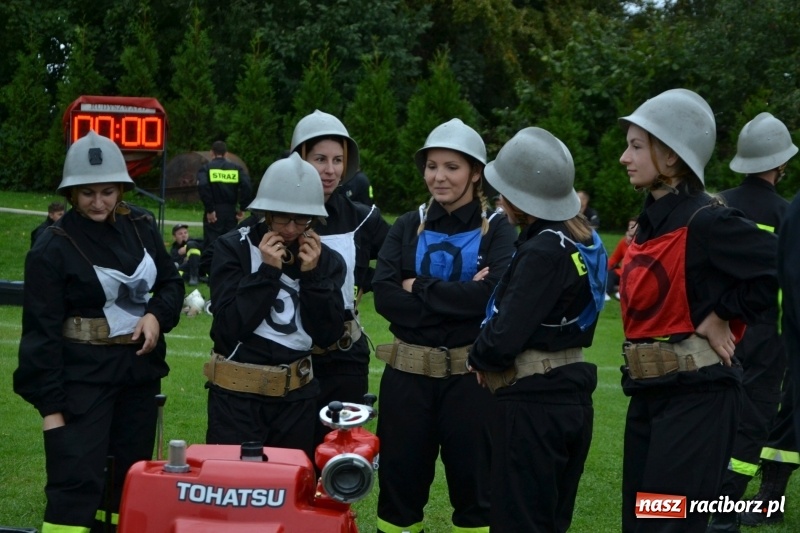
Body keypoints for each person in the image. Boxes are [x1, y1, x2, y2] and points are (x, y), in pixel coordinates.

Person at [616, 88, 779, 533]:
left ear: (670, 157)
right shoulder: (651, 219)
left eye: (635, 146)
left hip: (696, 398)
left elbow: (781, 265)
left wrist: (724, 312)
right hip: (649, 393)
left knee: (668, 523)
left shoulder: (708, 219)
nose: (623, 158)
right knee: (642, 520)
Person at [13, 130, 184, 532]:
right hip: (81, 382)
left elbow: (171, 283)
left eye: (108, 191)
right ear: (71, 194)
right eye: (86, 193)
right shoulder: (50, 248)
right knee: (76, 482)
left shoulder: (141, 226)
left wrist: (157, 315)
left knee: (130, 480)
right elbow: (40, 334)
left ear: (122, 189)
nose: (98, 202)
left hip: (136, 377)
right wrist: (51, 409)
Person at [372, 118, 517, 533]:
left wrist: (418, 286)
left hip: (471, 381)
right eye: (432, 165)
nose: (439, 176)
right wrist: (461, 298)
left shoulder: (500, 228)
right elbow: (385, 298)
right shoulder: (405, 224)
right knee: (398, 496)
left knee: (477, 497)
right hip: (406, 378)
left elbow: (494, 296)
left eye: (452, 167)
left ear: (475, 172)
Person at [468, 127, 607, 532]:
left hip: (534, 405)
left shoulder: (542, 250)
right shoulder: (574, 239)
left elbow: (507, 332)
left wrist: (480, 355)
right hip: (566, 396)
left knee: (519, 521)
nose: (498, 196)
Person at [204, 152, 347, 462]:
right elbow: (228, 330)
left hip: (296, 399)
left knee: (288, 493)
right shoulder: (233, 248)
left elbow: (328, 334)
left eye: (302, 218)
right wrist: (267, 272)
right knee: (233, 492)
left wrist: (312, 278)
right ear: (266, 212)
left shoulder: (327, 260)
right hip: (236, 398)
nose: (292, 228)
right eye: (283, 217)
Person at [708, 112, 797, 532]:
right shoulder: (788, 216)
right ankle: (724, 509)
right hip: (770, 338)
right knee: (752, 422)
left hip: (715, 332)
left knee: (709, 415)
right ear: (782, 164)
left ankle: (696, 501)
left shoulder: (716, 205)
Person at [289, 110, 391, 448]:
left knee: (340, 458)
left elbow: (400, 260)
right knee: (293, 459)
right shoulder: (273, 216)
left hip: (343, 358)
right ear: (299, 158)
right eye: (320, 159)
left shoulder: (362, 218)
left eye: (337, 159)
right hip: (287, 358)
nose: (330, 170)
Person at [197, 140, 253, 254]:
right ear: (226, 154)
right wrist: (242, 208)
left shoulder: (206, 168)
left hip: (214, 213)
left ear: (211, 153)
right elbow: (247, 186)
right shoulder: (236, 169)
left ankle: (210, 270)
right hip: (231, 212)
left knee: (211, 244)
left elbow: (203, 186)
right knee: (229, 243)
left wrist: (210, 209)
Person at [607, 217, 638, 300]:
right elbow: (614, 258)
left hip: (635, 273)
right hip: (622, 272)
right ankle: (607, 292)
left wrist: (631, 242)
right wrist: (604, 268)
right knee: (610, 274)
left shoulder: (642, 243)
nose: (630, 228)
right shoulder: (623, 241)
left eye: (633, 226)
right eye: (629, 225)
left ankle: (621, 291)